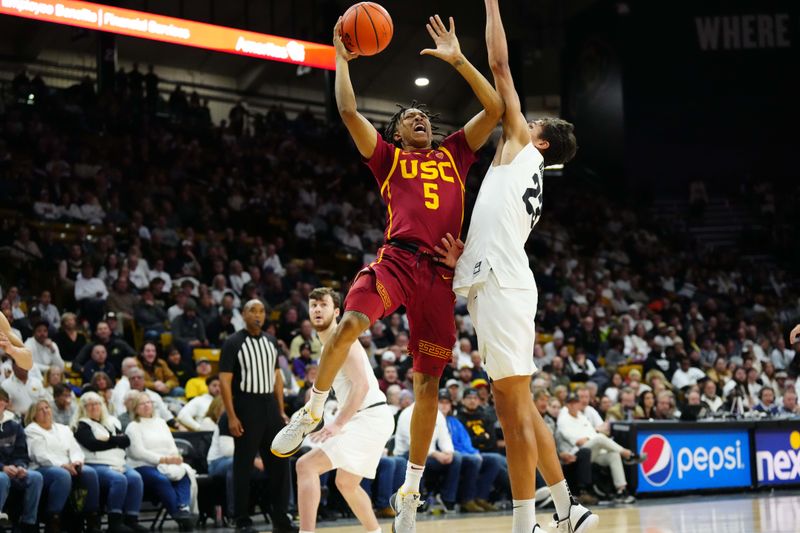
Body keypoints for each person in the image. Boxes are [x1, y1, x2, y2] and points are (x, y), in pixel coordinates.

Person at [273, 14, 504, 533]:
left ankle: (410, 491)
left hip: (439, 279)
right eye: (410, 117)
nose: (420, 118)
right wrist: (340, 57)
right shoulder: (388, 160)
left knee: (428, 386)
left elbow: (494, 107)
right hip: (397, 260)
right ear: (397, 131)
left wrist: (458, 58)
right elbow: (348, 109)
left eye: (425, 115)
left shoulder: (455, 153)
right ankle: (311, 410)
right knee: (351, 321)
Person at [439, 1, 588, 531]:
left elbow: (501, 68)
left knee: (517, 408)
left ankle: (557, 513)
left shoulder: (522, 149)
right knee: (511, 409)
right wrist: (466, 260)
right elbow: (495, 226)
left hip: (503, 289)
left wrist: (490, 7)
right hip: (495, 283)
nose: (523, 119)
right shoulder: (518, 166)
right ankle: (547, 516)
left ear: (541, 140)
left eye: (534, 122)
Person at [293, 287, 394, 533]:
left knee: (305, 466)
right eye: (313, 305)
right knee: (346, 483)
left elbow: (361, 386)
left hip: (369, 416)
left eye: (323, 305)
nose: (317, 309)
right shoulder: (328, 347)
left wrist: (337, 424)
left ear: (337, 311)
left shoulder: (343, 340)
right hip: (369, 418)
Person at [219, 300, 296, 533]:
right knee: (242, 465)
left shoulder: (272, 341)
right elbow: (224, 380)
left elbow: (278, 377)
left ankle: (281, 519)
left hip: (270, 406)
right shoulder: (233, 342)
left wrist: (281, 409)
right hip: (246, 404)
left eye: (262, 311)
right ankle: (242, 520)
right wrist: (231, 416)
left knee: (280, 462)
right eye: (252, 310)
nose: (258, 315)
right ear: (243, 314)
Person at [73, 392, 148, 533]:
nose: (94, 407)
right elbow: (92, 444)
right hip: (96, 464)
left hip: (118, 462)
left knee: (135, 478)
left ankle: (131, 519)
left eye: (97, 403)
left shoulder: (111, 422)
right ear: (83, 407)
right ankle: (115, 521)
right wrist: (115, 440)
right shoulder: (81, 425)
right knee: (118, 480)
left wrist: (107, 439)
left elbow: (126, 441)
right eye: (89, 404)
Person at [25, 399, 102, 533]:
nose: (45, 411)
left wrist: (76, 461)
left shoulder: (63, 428)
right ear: (33, 415)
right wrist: (62, 465)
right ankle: (53, 520)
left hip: (69, 464)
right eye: (40, 409)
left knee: (90, 473)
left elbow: (75, 449)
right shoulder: (32, 430)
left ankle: (92, 520)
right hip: (43, 467)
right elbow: (39, 455)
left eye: (47, 407)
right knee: (62, 475)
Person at [124, 392, 196, 531]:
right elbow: (138, 452)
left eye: (148, 402)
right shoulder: (133, 426)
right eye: (142, 404)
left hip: (166, 463)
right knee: (161, 479)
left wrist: (175, 457)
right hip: (143, 465)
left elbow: (171, 445)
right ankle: (178, 515)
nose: (146, 406)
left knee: (184, 472)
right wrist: (162, 459)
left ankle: (184, 509)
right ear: (135, 408)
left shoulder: (161, 423)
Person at [0, 389, 43, 533]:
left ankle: (28, 523)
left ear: (6, 403)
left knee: (35, 477)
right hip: (2, 472)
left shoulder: (14, 426)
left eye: (1, 400)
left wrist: (20, 466)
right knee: (2, 478)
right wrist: (3, 468)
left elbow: (22, 453)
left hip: (13, 469)